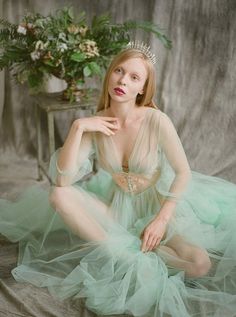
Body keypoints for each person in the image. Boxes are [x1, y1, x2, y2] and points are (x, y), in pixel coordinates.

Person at [0, 43, 236, 317]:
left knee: (199, 264)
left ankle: (138, 251)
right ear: (109, 74)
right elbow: (62, 181)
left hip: (159, 210)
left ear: (142, 89)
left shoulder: (156, 121)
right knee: (58, 195)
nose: (123, 80)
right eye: (119, 71)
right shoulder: (97, 123)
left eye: (134, 77)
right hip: (118, 210)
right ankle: (122, 256)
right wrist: (78, 128)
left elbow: (183, 173)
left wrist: (160, 221)